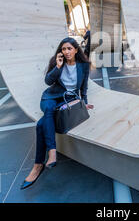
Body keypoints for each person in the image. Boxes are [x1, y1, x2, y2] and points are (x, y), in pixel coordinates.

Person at [21, 37, 93, 190]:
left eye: (69, 49)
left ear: (75, 50)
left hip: (68, 99)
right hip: (51, 97)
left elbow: (84, 87)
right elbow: (48, 81)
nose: (66, 52)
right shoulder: (57, 61)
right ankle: (52, 152)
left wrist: (84, 103)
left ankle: (38, 164)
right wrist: (58, 67)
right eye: (63, 49)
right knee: (48, 109)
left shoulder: (84, 65)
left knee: (41, 125)